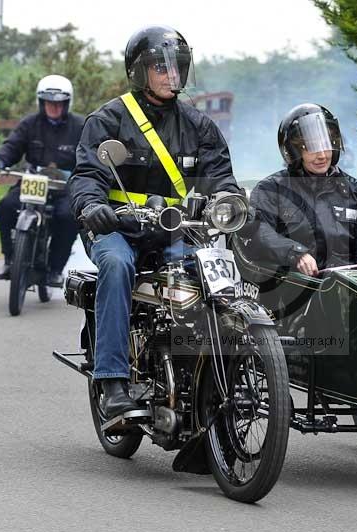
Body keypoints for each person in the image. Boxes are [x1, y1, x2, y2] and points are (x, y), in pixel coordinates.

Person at [69, 26, 239, 419]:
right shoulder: (109, 119)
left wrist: (227, 202)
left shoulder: (199, 125)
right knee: (116, 264)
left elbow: (220, 178)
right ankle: (112, 381)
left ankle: (213, 371)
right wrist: (92, 206)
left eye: (176, 67)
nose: (171, 75)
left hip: (175, 229)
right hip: (117, 229)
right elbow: (86, 175)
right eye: (160, 68)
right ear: (139, 72)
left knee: (206, 272)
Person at [248, 103, 357, 276]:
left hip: (347, 289)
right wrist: (296, 254)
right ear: (293, 151)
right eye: (311, 148)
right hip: (291, 290)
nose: (322, 155)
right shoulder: (271, 191)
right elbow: (259, 234)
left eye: (326, 145)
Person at [0, 74, 84, 286]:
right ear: (41, 102)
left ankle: (56, 269)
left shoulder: (81, 126)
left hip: (65, 186)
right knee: (5, 208)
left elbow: (90, 155)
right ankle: (10, 259)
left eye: (59, 103)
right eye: (49, 102)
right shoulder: (29, 124)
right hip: (33, 182)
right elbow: (12, 146)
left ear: (67, 104)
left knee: (68, 217)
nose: (53, 107)